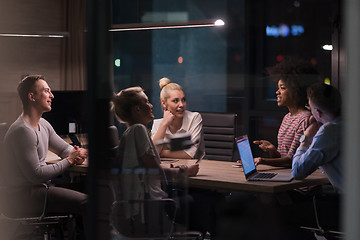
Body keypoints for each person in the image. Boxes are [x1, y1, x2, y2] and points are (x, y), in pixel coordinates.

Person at [112, 86, 217, 234]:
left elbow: (149, 166)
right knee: (209, 201)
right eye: (147, 102)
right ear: (137, 109)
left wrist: (173, 167)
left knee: (199, 201)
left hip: (145, 208)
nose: (151, 105)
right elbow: (156, 171)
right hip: (153, 208)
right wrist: (184, 171)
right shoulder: (139, 130)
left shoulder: (131, 132)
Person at [1, 75, 88, 235]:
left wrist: (76, 153)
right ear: (31, 96)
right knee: (88, 202)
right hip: (25, 196)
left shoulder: (43, 124)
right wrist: (70, 160)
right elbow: (36, 175)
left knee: (89, 191)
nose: (52, 95)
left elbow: (63, 149)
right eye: (46, 91)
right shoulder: (23, 131)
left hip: (41, 189)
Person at [252, 58, 320, 166]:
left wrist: (262, 161)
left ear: (296, 91)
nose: (277, 92)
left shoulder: (305, 120)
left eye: (282, 88)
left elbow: (291, 161)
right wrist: (272, 150)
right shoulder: (287, 117)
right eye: (278, 87)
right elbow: (282, 159)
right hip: (286, 175)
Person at [292, 83, 342, 193]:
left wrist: (306, 138)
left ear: (318, 113)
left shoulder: (329, 131)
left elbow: (297, 171)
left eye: (310, 109)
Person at [151, 77, 205, 159]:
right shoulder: (158, 124)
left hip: (197, 167)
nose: (181, 105)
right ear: (164, 103)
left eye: (183, 100)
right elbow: (153, 153)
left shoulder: (194, 118)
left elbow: (189, 154)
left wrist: (160, 153)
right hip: (170, 168)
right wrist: (164, 124)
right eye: (175, 101)